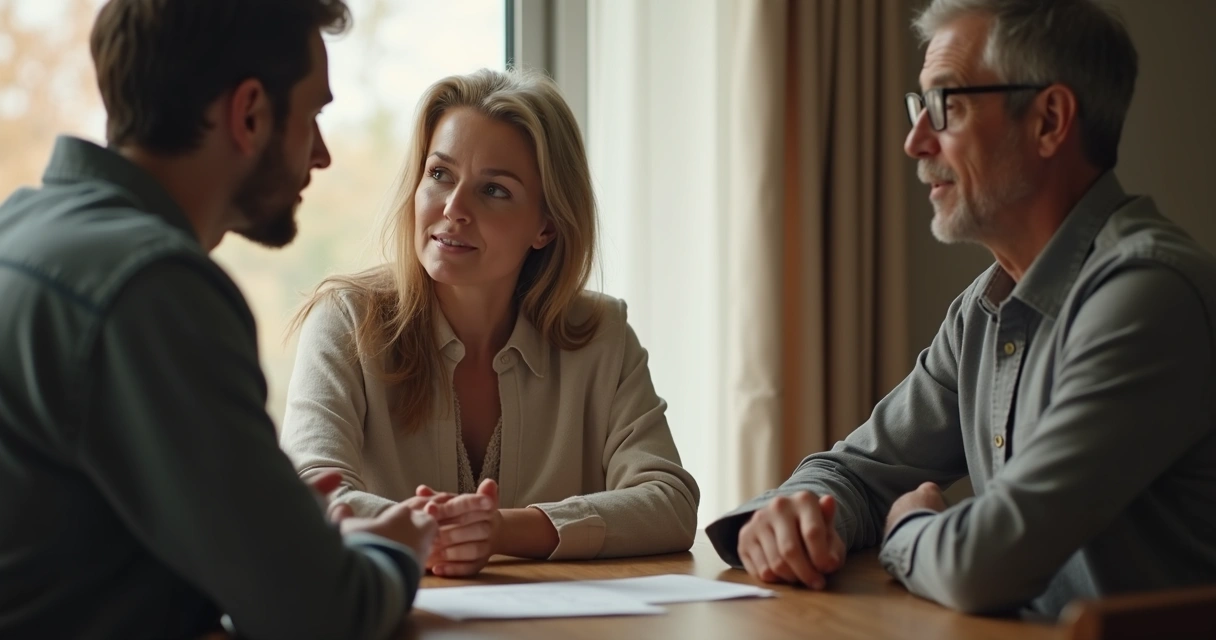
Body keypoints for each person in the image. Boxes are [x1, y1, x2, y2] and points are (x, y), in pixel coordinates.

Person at [707, 0, 1216, 618]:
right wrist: (791, 516)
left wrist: (908, 525)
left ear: (1050, 120)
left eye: (946, 104)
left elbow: (985, 563)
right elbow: (860, 470)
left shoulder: (1147, 296)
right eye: (919, 105)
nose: (915, 140)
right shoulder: (984, 309)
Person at [0, 1, 436, 638]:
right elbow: (323, 616)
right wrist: (395, 550)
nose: (322, 156)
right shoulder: (152, 288)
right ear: (250, 113)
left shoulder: (23, 232)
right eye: (313, 114)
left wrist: (285, 541)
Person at [278, 68, 699, 577]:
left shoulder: (601, 335)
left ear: (546, 225)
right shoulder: (346, 322)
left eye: (494, 190)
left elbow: (670, 502)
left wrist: (499, 529)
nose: (453, 209)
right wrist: (444, 528)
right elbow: (310, 491)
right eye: (439, 174)